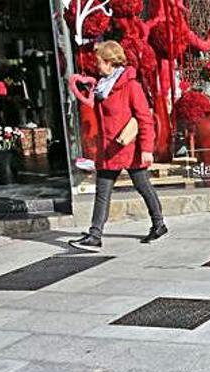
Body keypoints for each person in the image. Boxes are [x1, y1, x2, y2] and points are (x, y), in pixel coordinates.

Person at [69, 41, 167, 252]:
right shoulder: (103, 85)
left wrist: (147, 149)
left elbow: (144, 118)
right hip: (109, 150)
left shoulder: (131, 86)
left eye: (99, 62)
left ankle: (159, 224)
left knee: (143, 186)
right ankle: (95, 235)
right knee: (102, 192)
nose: (96, 66)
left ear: (110, 62)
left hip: (129, 149)